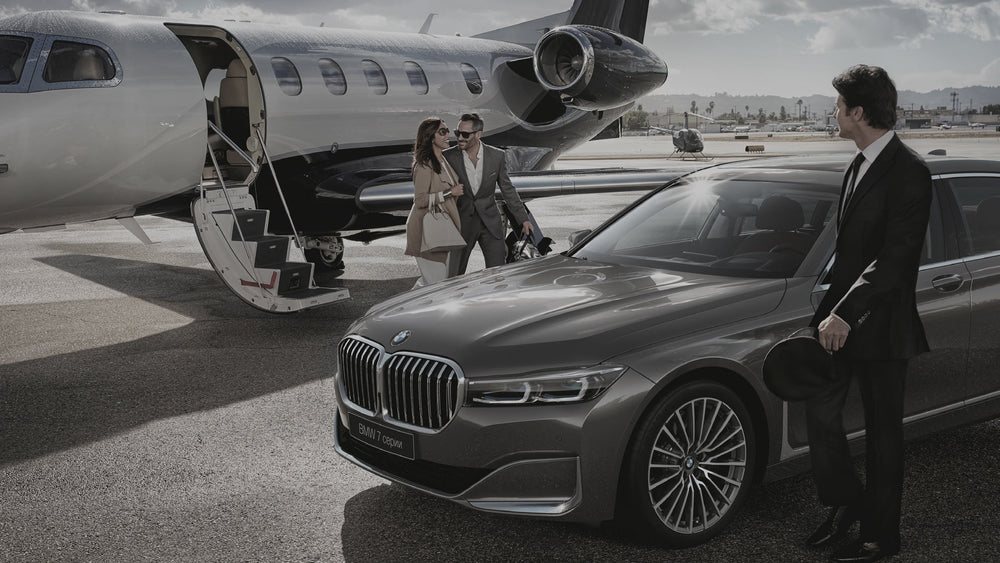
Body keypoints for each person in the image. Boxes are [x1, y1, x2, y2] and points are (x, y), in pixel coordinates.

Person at [803, 65, 932, 562]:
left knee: (883, 436)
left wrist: (846, 313)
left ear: (858, 112)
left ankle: (881, 538)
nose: (833, 113)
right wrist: (826, 308)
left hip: (881, 325)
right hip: (838, 318)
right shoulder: (857, 164)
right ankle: (847, 503)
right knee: (820, 413)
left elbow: (896, 259)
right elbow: (851, 250)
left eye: (837, 106)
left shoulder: (909, 171)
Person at [443, 113, 533, 276]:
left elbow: (507, 189)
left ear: (478, 134)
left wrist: (523, 218)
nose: (459, 138)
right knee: (454, 276)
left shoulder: (496, 156)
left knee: (498, 275)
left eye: (465, 134)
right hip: (462, 224)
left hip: (490, 224)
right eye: (457, 133)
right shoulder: (448, 157)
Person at [404, 117, 464, 286]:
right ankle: (405, 309)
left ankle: (407, 308)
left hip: (443, 228)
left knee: (433, 283)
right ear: (430, 136)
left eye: (447, 131)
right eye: (442, 132)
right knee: (436, 284)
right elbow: (420, 200)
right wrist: (449, 193)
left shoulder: (443, 161)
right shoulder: (424, 165)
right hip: (427, 231)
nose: (448, 135)